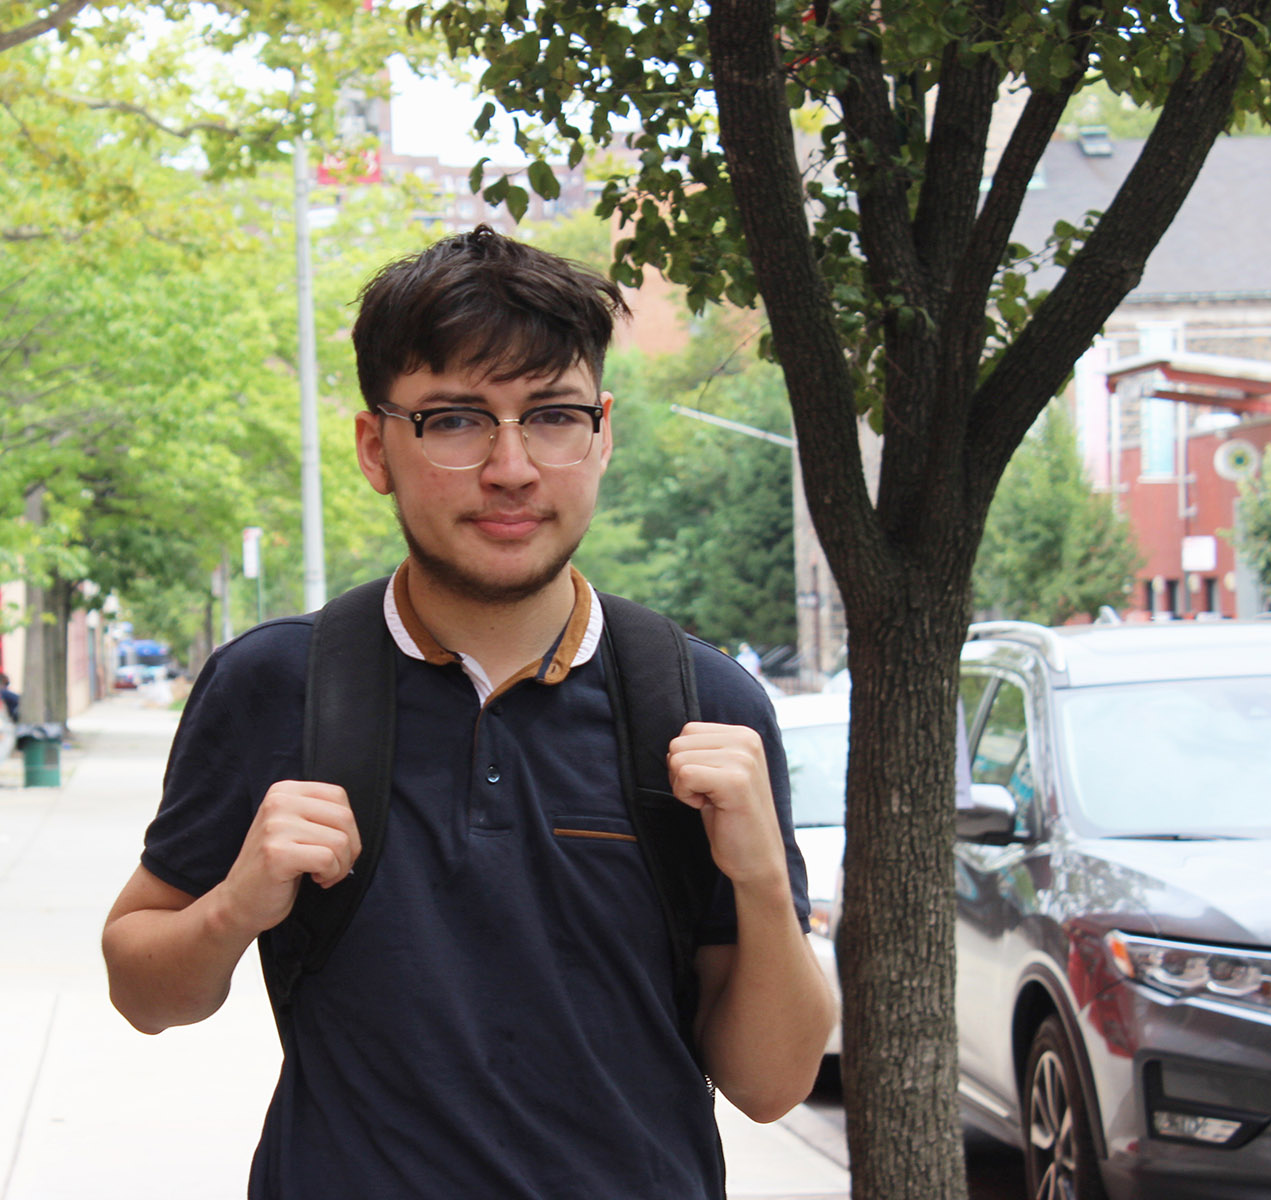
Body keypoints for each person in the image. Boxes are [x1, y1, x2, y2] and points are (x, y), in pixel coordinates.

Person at [100, 226, 836, 1199]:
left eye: (553, 416)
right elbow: (143, 991)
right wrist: (237, 907)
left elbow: (770, 1084)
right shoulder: (276, 685)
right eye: (455, 420)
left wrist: (757, 880)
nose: (513, 467)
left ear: (603, 433)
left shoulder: (707, 709)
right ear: (375, 447)